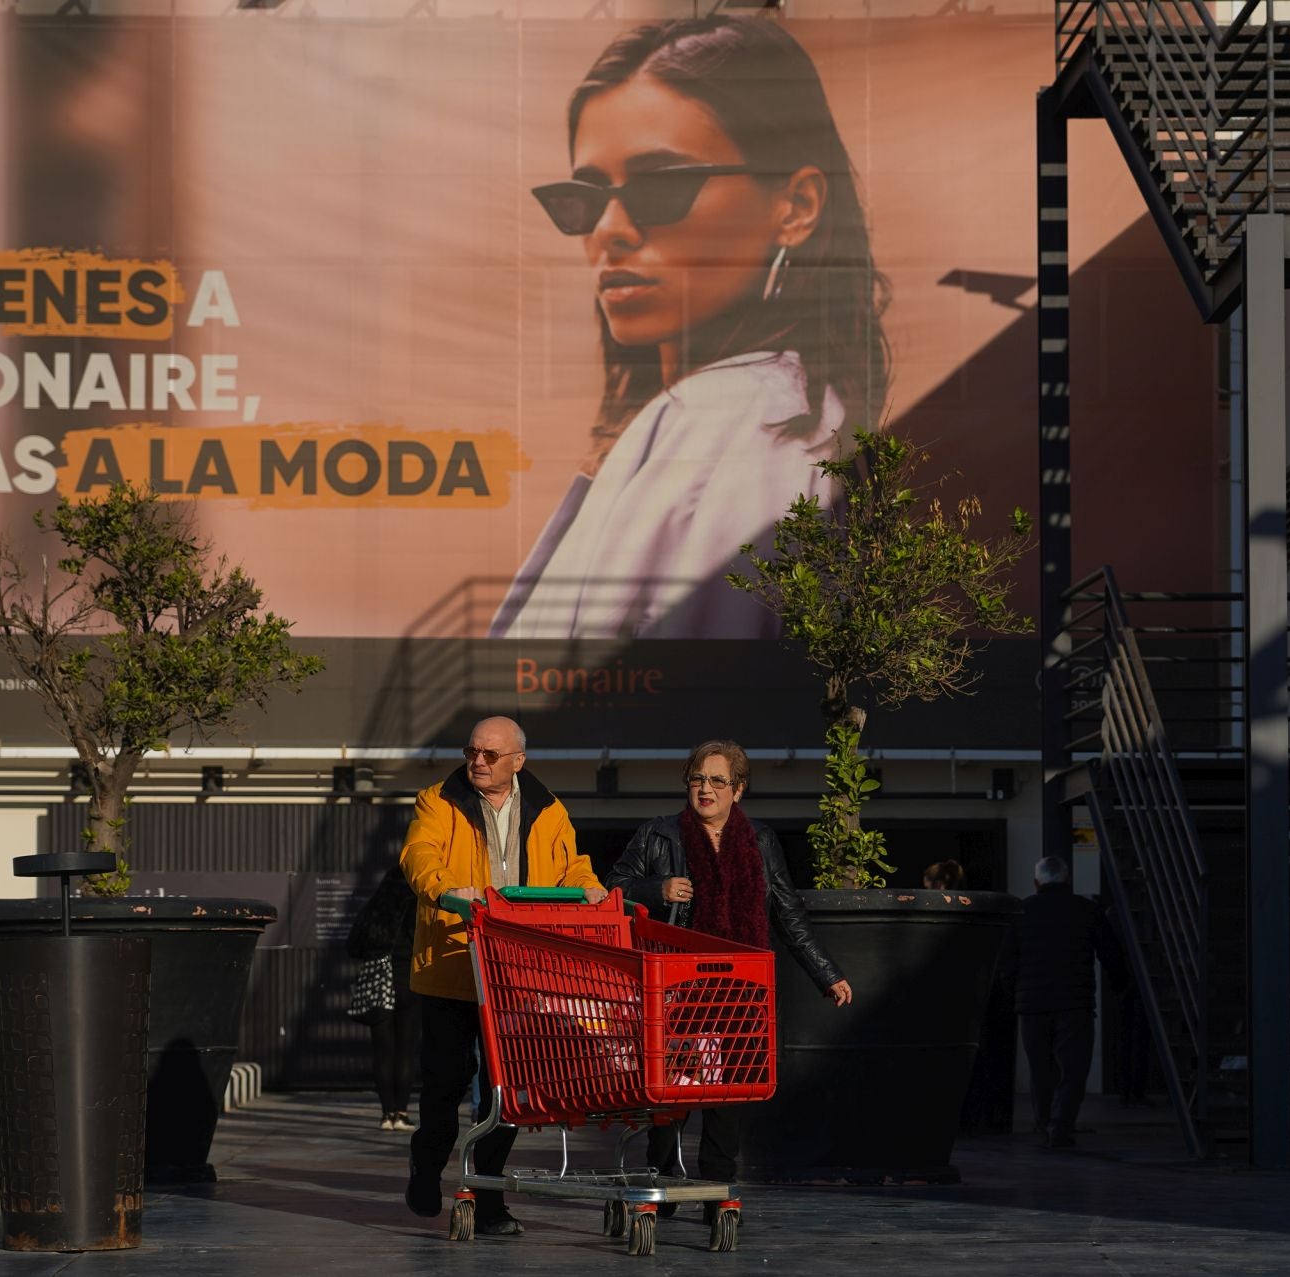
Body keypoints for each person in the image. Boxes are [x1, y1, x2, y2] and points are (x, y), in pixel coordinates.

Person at [489, 16, 890, 640]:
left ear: (798, 207)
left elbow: (687, 705)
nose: (609, 230)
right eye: (585, 198)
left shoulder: (736, 421)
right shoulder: (748, 415)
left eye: (660, 187)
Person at [605, 739, 853, 1219]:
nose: (705, 789)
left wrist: (828, 973)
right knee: (670, 1089)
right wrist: (656, 889)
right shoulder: (659, 835)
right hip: (673, 983)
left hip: (738, 984)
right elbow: (611, 886)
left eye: (717, 781)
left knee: (726, 1090)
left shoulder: (758, 840)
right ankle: (663, 1181)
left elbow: (786, 910)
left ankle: (717, 1189)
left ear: (738, 790)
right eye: (697, 779)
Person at [399, 716, 606, 1236]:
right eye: (472, 751)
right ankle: (427, 1168)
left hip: (515, 973)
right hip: (452, 964)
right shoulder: (438, 800)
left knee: (506, 1091)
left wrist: (590, 887)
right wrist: (449, 888)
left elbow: (571, 865)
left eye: (491, 754)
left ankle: (487, 1195)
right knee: (444, 1084)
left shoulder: (549, 809)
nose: (478, 761)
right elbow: (418, 855)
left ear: (518, 760)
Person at [993, 856, 1129, 1149]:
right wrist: (1121, 986)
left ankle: (1043, 1122)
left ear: (1036, 882)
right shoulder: (1087, 910)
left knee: (1041, 1069)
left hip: (1031, 1005)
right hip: (1074, 1002)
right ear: (1068, 881)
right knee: (1073, 1069)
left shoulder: (1020, 912)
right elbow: (1112, 956)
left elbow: (1006, 963)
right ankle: (1060, 1125)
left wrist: (1012, 996)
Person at [346, 864, 419, 1131]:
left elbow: (353, 944)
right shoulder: (415, 905)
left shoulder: (376, 907)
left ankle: (386, 1113)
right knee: (406, 1052)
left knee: (383, 1053)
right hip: (408, 982)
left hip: (379, 982)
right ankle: (401, 1112)